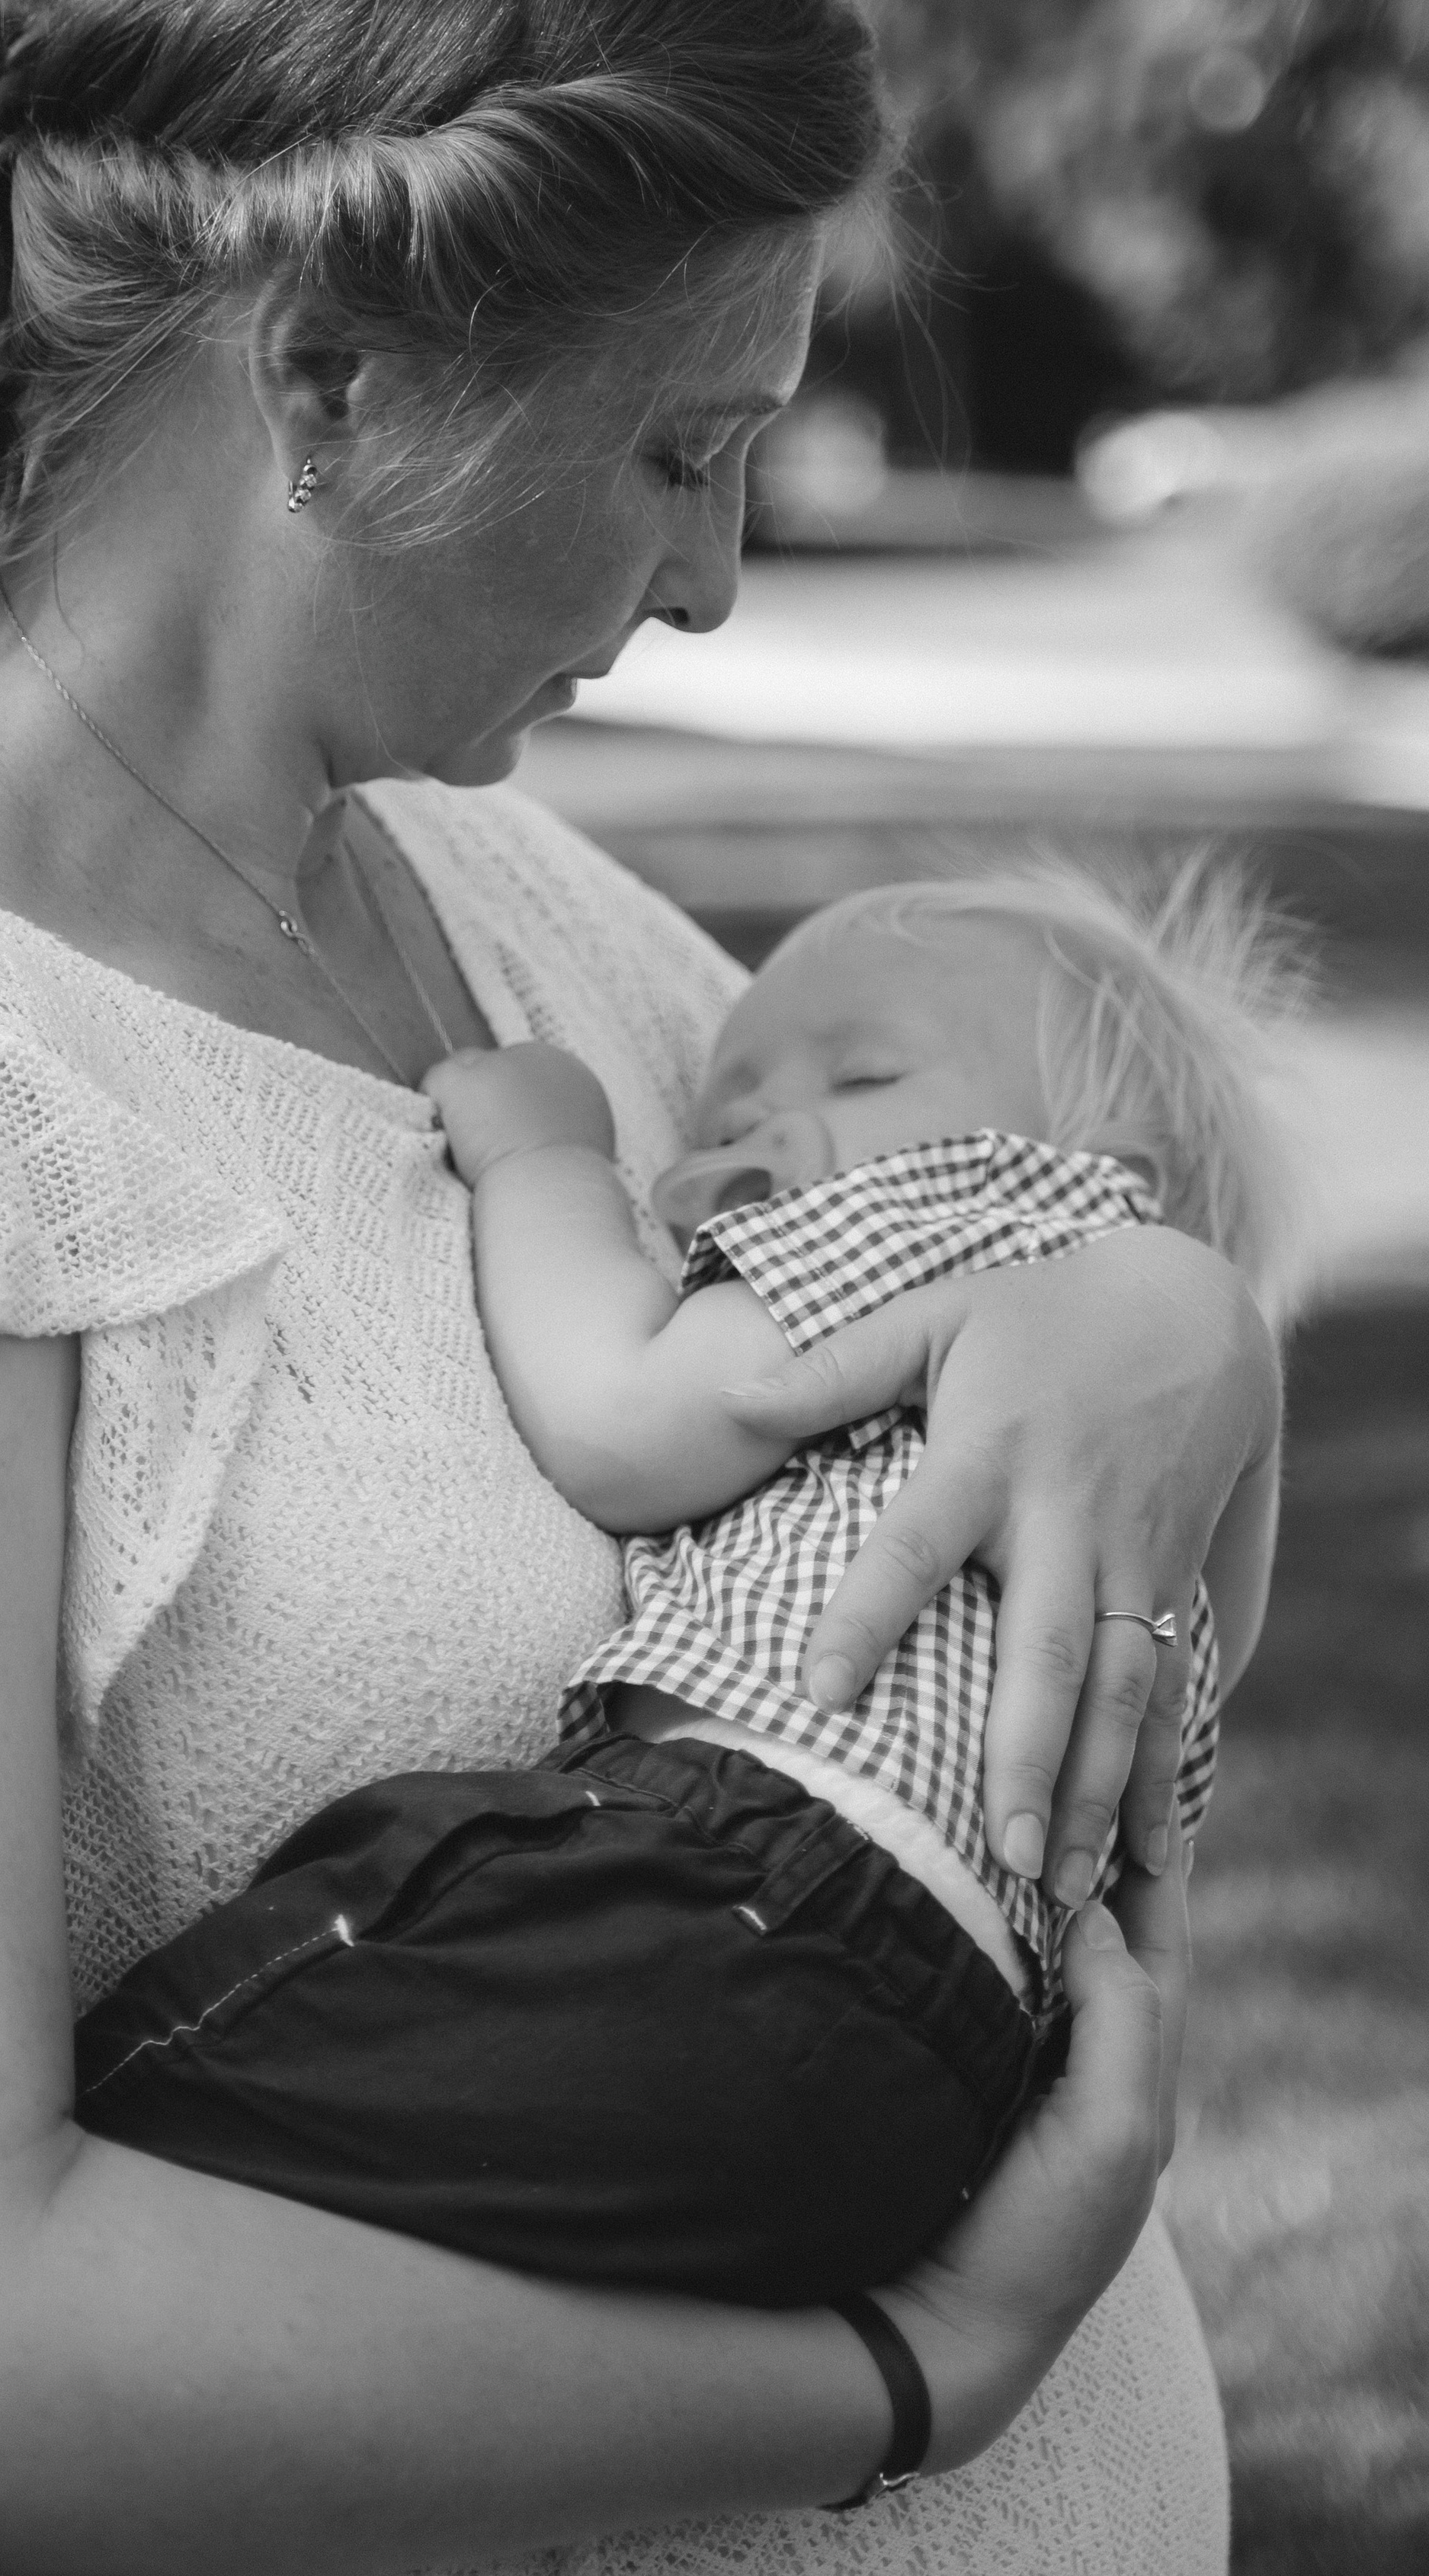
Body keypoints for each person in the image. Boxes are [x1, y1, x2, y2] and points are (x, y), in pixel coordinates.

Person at [0, 0, 1277, 2576]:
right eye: (680, 454)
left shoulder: (488, 897)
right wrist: (906, 2379)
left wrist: (1176, 1324)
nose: (716, 581)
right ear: (332, 376)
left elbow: (1007, 1611)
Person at [72, 862, 1298, 2312]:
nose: (757, 1127)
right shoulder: (1163, 1460)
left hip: (744, 1877)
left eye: (864, 1073)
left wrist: (549, 1158)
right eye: (726, 1111)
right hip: (968, 2058)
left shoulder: (976, 1211)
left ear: (1110, 1164)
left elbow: (619, 1417)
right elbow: (1221, 1659)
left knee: (182, 2104)